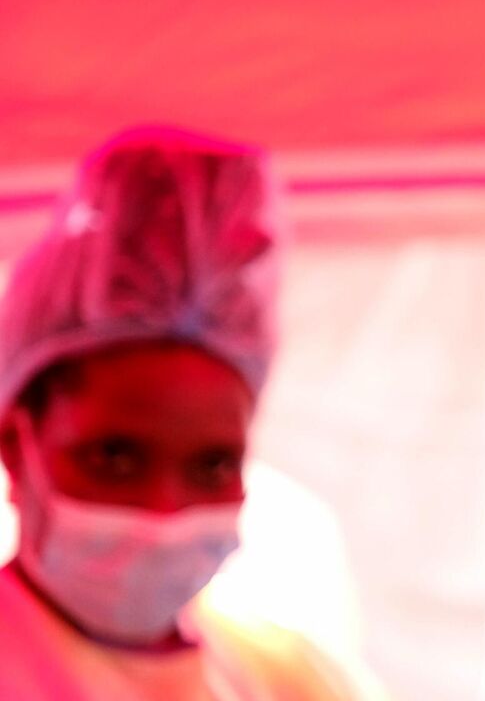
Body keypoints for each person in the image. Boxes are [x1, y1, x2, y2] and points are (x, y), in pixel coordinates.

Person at [0, 128, 357, 699]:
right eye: (115, 457)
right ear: (16, 445)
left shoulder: (288, 679)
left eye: (213, 465)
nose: (165, 511)